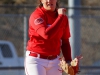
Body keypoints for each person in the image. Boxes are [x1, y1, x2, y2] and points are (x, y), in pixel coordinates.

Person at [24, 0, 72, 75]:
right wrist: (60, 17)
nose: (49, 1)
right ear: (41, 1)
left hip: (55, 61)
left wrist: (69, 60)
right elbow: (46, 35)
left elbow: (65, 41)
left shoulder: (63, 18)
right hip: (36, 60)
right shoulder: (37, 15)